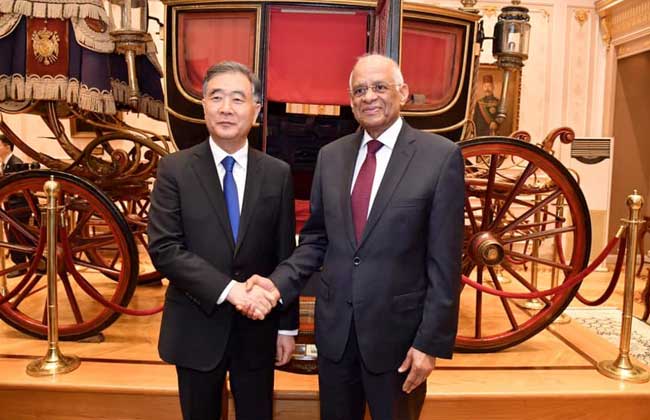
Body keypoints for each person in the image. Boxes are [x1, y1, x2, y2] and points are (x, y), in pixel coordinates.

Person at [244, 54, 465, 420]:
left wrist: (430, 343)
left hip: (398, 342)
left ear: (403, 93)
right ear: (350, 100)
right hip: (336, 339)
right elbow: (316, 240)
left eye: (380, 87)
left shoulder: (440, 157)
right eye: (360, 90)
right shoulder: (331, 156)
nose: (369, 97)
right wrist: (275, 284)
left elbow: (445, 262)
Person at [147, 61, 297, 420]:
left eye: (237, 99)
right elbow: (165, 249)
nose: (226, 108)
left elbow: (284, 255)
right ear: (204, 106)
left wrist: (287, 326)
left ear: (256, 110)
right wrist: (230, 291)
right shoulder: (175, 169)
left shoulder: (277, 174)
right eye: (216, 97)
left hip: (258, 332)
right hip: (196, 328)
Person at [0, 135, 29, 277]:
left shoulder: (15, 163)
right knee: (20, 235)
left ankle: (20, 265)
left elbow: (20, 187)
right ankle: (31, 262)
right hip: (12, 206)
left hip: (19, 206)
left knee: (16, 236)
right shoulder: (6, 163)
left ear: (7, 147)